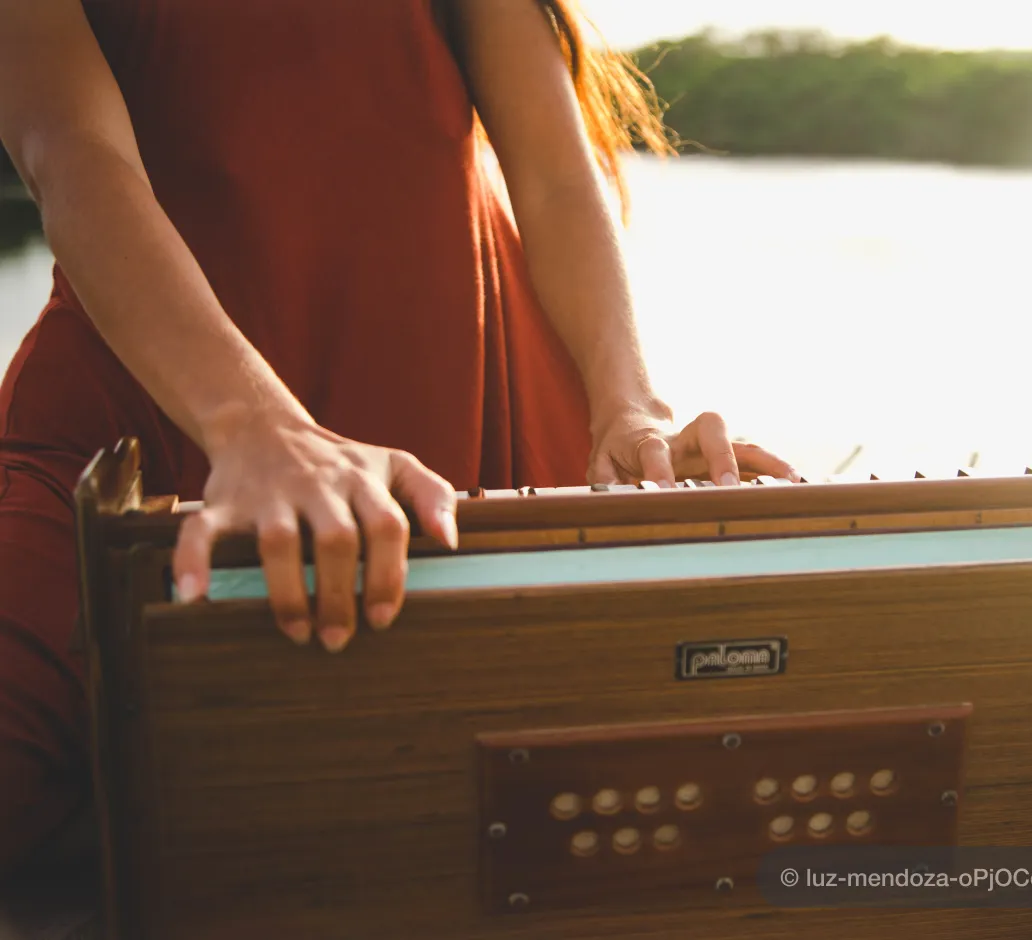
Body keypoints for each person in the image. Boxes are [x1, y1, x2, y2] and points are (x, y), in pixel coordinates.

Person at [0, 0, 797, 882]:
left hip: (463, 411)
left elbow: (555, 175)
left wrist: (628, 407)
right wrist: (256, 427)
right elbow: (73, 155)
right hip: (140, 425)